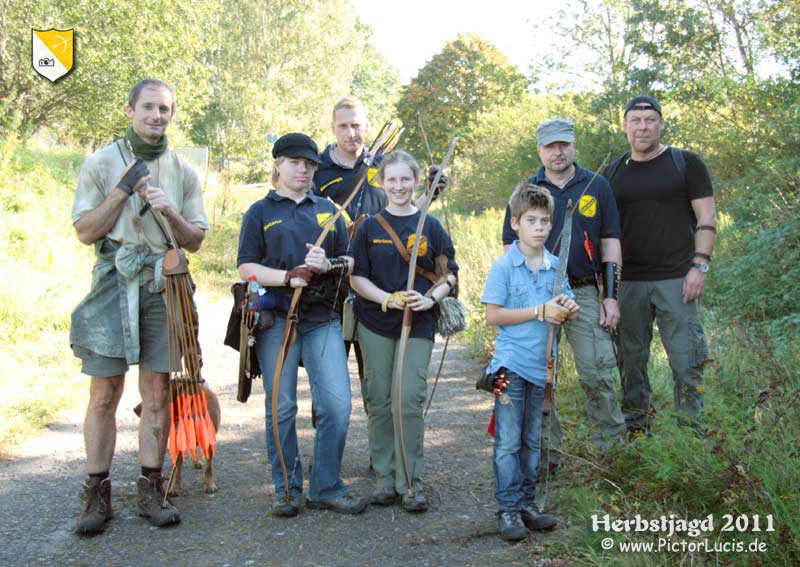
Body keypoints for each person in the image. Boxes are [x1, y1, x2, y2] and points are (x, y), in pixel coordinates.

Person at [70, 78, 208, 534]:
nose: (157, 116)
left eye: (165, 109)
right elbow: (87, 231)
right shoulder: (100, 163)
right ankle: (96, 493)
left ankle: (151, 490)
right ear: (130, 109)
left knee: (157, 392)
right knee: (105, 393)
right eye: (148, 107)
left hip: (162, 284)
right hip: (112, 283)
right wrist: (122, 191)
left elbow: (197, 241)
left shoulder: (183, 171)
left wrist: (169, 211)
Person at [237, 133, 367, 517]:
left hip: (321, 318)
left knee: (337, 406)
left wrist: (328, 265)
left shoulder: (328, 211)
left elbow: (350, 262)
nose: (303, 169)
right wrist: (286, 276)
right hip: (276, 318)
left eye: (309, 164)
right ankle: (287, 488)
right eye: (295, 162)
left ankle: (325, 485)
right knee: (282, 407)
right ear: (278, 164)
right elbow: (246, 267)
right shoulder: (260, 211)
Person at [500, 118, 626, 464]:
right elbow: (509, 246)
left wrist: (610, 296)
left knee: (596, 371)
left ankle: (611, 452)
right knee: (540, 374)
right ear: (540, 149)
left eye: (564, 144)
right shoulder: (526, 190)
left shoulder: (597, 185)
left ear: (573, 146)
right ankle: (544, 454)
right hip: (538, 293)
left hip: (583, 292)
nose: (558, 152)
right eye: (550, 146)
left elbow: (610, 241)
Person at [349, 150, 458, 512]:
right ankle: (384, 478)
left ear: (416, 182)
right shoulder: (369, 226)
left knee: (407, 399)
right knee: (379, 400)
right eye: (391, 180)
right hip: (376, 322)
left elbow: (449, 274)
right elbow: (356, 276)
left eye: (405, 179)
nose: (398, 186)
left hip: (419, 324)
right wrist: (386, 299)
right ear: (382, 182)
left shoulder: (432, 225)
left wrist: (431, 298)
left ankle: (411, 482)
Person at [602, 95, 716, 435]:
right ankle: (637, 429)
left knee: (687, 360)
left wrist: (700, 266)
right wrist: (605, 287)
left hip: (677, 279)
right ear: (624, 126)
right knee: (631, 361)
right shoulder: (612, 172)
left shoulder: (686, 163)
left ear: (661, 123)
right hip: (628, 283)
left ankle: (692, 433)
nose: (643, 127)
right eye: (635, 121)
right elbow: (603, 231)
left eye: (650, 120)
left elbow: (707, 216)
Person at [483, 184, 579, 541]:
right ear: (516, 223)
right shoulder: (505, 266)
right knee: (508, 440)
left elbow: (565, 301)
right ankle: (507, 508)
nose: (539, 228)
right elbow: (494, 315)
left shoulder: (556, 266)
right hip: (510, 368)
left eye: (544, 221)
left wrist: (569, 307)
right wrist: (540, 311)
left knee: (532, 440)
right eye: (531, 221)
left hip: (543, 369)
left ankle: (526, 504)